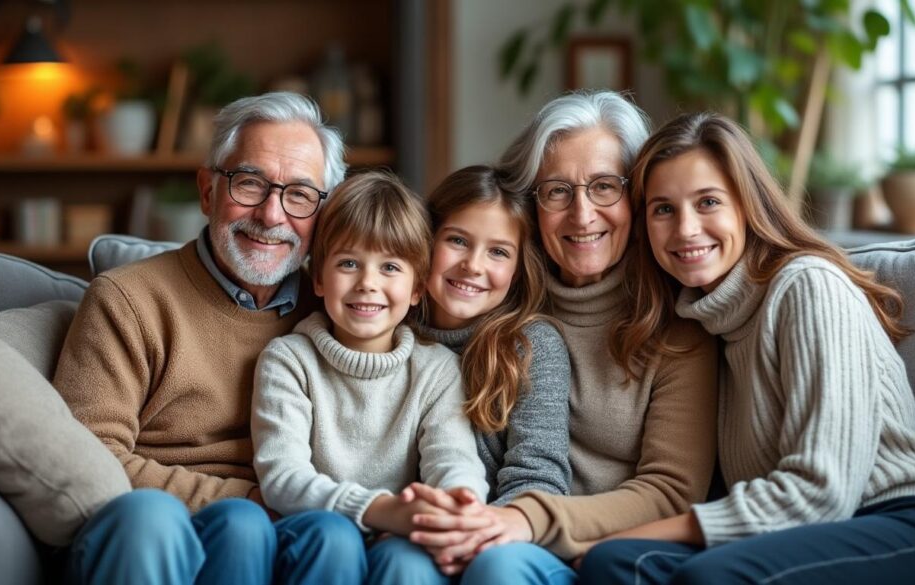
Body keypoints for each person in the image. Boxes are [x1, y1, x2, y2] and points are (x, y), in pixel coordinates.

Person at [578, 112, 915, 584]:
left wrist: (644, 531)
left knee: (703, 576)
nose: (685, 229)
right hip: (804, 535)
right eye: (663, 209)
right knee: (618, 566)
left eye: (708, 201)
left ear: (748, 207)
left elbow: (823, 489)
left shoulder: (806, 285)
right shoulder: (705, 325)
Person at [408, 91, 720, 583]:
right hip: (488, 527)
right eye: (557, 191)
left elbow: (672, 492)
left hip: (596, 552)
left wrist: (527, 520)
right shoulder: (495, 298)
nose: (581, 214)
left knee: (498, 569)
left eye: (603, 187)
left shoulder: (678, 326)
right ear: (529, 202)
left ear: (636, 198)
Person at [54, 92, 346, 585]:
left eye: (299, 194)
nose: (273, 216)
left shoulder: (339, 309)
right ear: (208, 190)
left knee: (332, 536)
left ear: (325, 212)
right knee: (239, 525)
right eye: (250, 183)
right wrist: (248, 501)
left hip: (296, 517)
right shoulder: (126, 299)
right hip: (160, 525)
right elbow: (88, 454)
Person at [251, 170, 489, 585]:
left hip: (402, 536)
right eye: (348, 263)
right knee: (335, 538)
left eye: (390, 267)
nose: (367, 283)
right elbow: (283, 478)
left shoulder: (436, 370)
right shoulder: (289, 360)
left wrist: (458, 501)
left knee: (409, 563)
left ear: (418, 287)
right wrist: (379, 509)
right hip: (316, 533)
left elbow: (452, 457)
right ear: (319, 279)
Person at [416, 165, 571, 505]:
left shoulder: (531, 346)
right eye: (457, 240)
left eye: (498, 252)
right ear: (427, 240)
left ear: (517, 271)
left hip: (496, 528)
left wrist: (475, 529)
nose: (473, 264)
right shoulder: (387, 330)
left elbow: (537, 479)